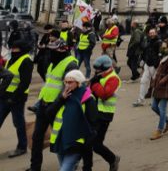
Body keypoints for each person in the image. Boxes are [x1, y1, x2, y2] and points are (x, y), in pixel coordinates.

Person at [29, 39, 79, 171]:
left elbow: (68, 90)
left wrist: (57, 104)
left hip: (58, 108)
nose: (50, 53)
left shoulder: (71, 64)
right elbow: (48, 84)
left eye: (52, 50)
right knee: (37, 138)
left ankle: (69, 165)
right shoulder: (52, 63)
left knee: (61, 139)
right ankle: (35, 167)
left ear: (63, 49)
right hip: (44, 105)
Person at [47, 70, 98, 171]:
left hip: (75, 143)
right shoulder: (63, 95)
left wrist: (87, 142)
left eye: (70, 82)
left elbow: (93, 122)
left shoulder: (88, 99)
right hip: (59, 140)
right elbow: (48, 113)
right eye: (65, 82)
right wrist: (61, 99)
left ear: (78, 83)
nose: (67, 84)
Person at [85, 55, 121, 171]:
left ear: (105, 68)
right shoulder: (100, 76)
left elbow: (105, 94)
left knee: (96, 145)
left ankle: (113, 159)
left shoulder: (113, 78)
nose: (96, 71)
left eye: (98, 69)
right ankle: (86, 166)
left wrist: (94, 84)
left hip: (104, 115)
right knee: (87, 142)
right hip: (94, 112)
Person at [0, 39, 33, 157]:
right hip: (4, 96)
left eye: (15, 48)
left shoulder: (26, 61)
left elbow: (25, 83)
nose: (12, 50)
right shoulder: (10, 59)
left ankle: (22, 147)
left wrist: (14, 97)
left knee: (18, 123)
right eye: (12, 48)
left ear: (22, 49)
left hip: (17, 98)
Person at [150, 38, 168, 140]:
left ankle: (159, 130)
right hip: (158, 86)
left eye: (164, 45)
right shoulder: (163, 56)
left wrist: (162, 81)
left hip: (165, 86)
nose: (162, 46)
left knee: (162, 109)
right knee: (153, 106)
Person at [133, 27, 161, 107]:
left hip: (154, 65)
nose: (151, 34)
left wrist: (157, 64)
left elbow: (160, 54)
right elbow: (145, 52)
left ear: (156, 33)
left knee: (156, 83)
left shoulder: (158, 42)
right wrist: (142, 60)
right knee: (143, 81)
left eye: (153, 33)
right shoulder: (148, 41)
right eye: (150, 33)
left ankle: (156, 101)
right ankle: (141, 100)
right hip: (147, 64)